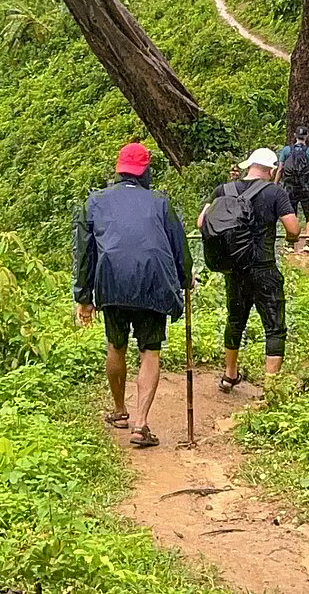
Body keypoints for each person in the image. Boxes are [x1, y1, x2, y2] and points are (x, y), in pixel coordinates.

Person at [73, 142, 192, 448]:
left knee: (115, 345)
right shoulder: (160, 202)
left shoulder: (95, 202)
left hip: (111, 282)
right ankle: (141, 424)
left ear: (119, 170)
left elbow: (84, 253)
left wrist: (83, 296)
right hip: (153, 282)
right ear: (145, 171)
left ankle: (119, 411)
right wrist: (185, 279)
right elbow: (179, 247)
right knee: (150, 350)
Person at [198, 147, 299, 390]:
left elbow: (201, 222)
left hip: (235, 270)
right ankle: (270, 388)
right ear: (271, 170)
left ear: (249, 166)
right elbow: (293, 228)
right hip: (264, 269)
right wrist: (291, 239)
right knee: (274, 327)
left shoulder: (223, 190)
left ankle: (229, 375)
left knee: (235, 321)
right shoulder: (275, 192)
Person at [276, 126, 309, 254]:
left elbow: (280, 169)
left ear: (295, 135)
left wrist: (275, 184)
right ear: (306, 136)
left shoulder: (286, 150)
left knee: (291, 214)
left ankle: (290, 244)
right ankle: (308, 242)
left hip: (290, 188)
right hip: (305, 187)